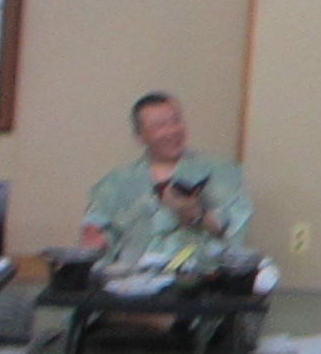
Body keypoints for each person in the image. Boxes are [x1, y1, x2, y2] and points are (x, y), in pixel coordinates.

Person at [81, 93, 252, 270]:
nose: (172, 131)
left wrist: (196, 215)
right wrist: (96, 242)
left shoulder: (220, 172)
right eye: (159, 125)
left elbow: (234, 230)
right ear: (140, 136)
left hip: (198, 276)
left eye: (176, 121)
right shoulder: (116, 182)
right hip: (132, 277)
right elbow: (99, 235)